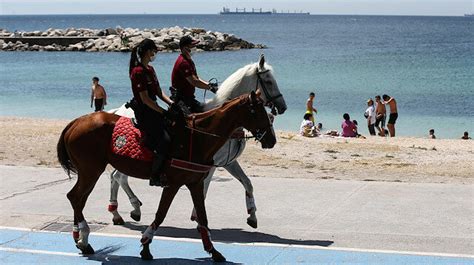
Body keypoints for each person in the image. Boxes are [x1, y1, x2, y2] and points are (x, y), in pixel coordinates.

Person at [128, 38, 174, 187]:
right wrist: (162, 112)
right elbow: (145, 99)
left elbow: (159, 92)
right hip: (144, 112)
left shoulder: (151, 70)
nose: (155, 54)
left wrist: (172, 105)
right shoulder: (138, 71)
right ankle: (155, 176)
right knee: (164, 140)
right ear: (148, 51)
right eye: (154, 51)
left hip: (153, 107)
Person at [170, 35, 217, 114]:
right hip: (182, 100)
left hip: (190, 98)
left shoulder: (189, 60)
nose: (195, 47)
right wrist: (210, 88)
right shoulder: (183, 62)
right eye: (192, 46)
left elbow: (196, 78)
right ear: (185, 48)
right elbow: (194, 82)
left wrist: (210, 84)